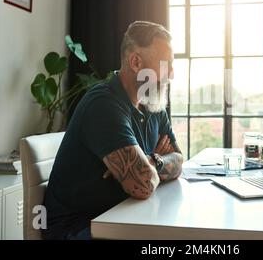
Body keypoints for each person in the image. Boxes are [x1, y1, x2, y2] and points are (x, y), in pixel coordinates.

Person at [42, 21, 183, 240]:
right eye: (166, 65)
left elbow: (179, 161)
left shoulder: (153, 103)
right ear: (136, 62)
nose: (172, 74)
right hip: (79, 227)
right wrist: (150, 166)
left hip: (124, 215)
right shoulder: (103, 104)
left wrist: (151, 161)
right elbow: (143, 185)